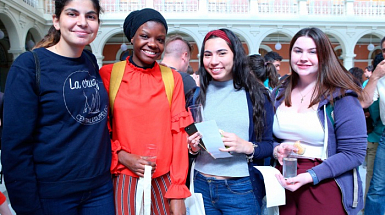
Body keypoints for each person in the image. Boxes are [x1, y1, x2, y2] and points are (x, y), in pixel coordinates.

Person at [1, 0, 115, 214]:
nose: (82, 22)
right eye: (72, 14)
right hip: (54, 193)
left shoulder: (89, 61)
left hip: (99, 188)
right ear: (56, 21)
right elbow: (15, 145)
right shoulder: (28, 65)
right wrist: (28, 207)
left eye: (90, 16)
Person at [99, 8, 191, 215]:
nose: (153, 44)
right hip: (124, 176)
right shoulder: (109, 74)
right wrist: (121, 155)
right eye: (144, 36)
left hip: (164, 178)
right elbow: (100, 129)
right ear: (132, 37)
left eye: (160, 39)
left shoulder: (172, 79)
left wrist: (177, 191)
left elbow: (178, 135)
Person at [272, 27, 366, 215]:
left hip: (325, 179)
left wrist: (310, 176)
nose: (303, 58)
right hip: (285, 178)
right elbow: (273, 137)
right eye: (298, 51)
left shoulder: (341, 97)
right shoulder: (280, 92)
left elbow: (354, 153)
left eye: (313, 52)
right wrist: (277, 149)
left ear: (325, 56)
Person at [187, 28, 274, 215]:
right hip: (201, 185)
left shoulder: (256, 96)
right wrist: (193, 148)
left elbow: (269, 145)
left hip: (241, 188)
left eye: (222, 53)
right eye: (208, 55)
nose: (214, 61)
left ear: (235, 55)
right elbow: (191, 144)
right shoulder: (195, 97)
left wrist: (247, 147)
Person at [361, 36, 385, 215]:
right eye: (384, 50)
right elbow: (363, 102)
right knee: (377, 188)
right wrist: (375, 77)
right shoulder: (381, 79)